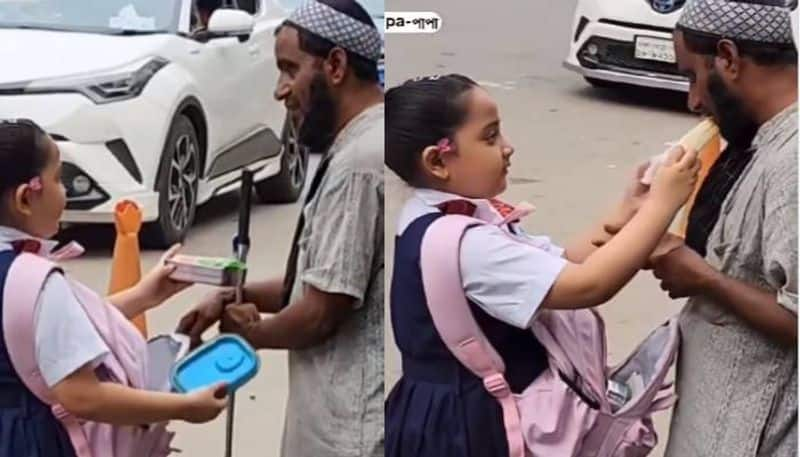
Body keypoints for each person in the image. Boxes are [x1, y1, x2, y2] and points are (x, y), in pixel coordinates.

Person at [383, 74, 699, 456]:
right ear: (437, 161)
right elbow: (588, 285)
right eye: (490, 136)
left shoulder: (436, 214)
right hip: (469, 428)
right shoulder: (471, 245)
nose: (507, 147)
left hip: (437, 410)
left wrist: (629, 209)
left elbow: (559, 264)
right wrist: (662, 206)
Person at [177, 1, 385, 456]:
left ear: (335, 65)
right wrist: (236, 296)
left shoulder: (360, 163)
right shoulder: (363, 143)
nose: (280, 90)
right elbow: (315, 282)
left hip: (349, 435)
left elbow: (320, 312)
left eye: (290, 69)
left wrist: (247, 334)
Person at [0, 119, 227, 457]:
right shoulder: (35, 282)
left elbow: (48, 333)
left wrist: (144, 296)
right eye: (59, 178)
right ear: (25, 198)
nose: (65, 192)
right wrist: (183, 406)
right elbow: (83, 395)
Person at [642, 1, 797, 456]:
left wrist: (702, 277)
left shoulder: (794, 159)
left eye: (692, 75)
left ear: (728, 58)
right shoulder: (762, 136)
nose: (692, 101)